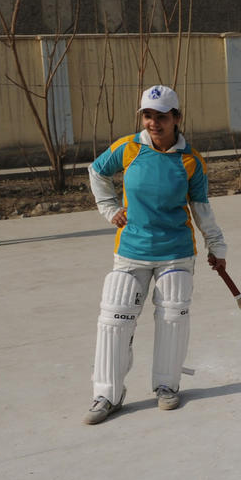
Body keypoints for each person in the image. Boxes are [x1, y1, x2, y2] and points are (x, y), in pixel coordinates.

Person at [83, 85, 228, 424]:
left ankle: (166, 385)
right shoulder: (128, 147)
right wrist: (109, 209)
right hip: (132, 250)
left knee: (172, 318)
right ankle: (107, 394)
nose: (153, 123)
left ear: (176, 118)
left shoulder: (190, 160)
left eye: (161, 117)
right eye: (147, 116)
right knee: (115, 318)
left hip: (176, 252)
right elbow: (97, 172)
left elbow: (202, 208)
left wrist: (217, 247)